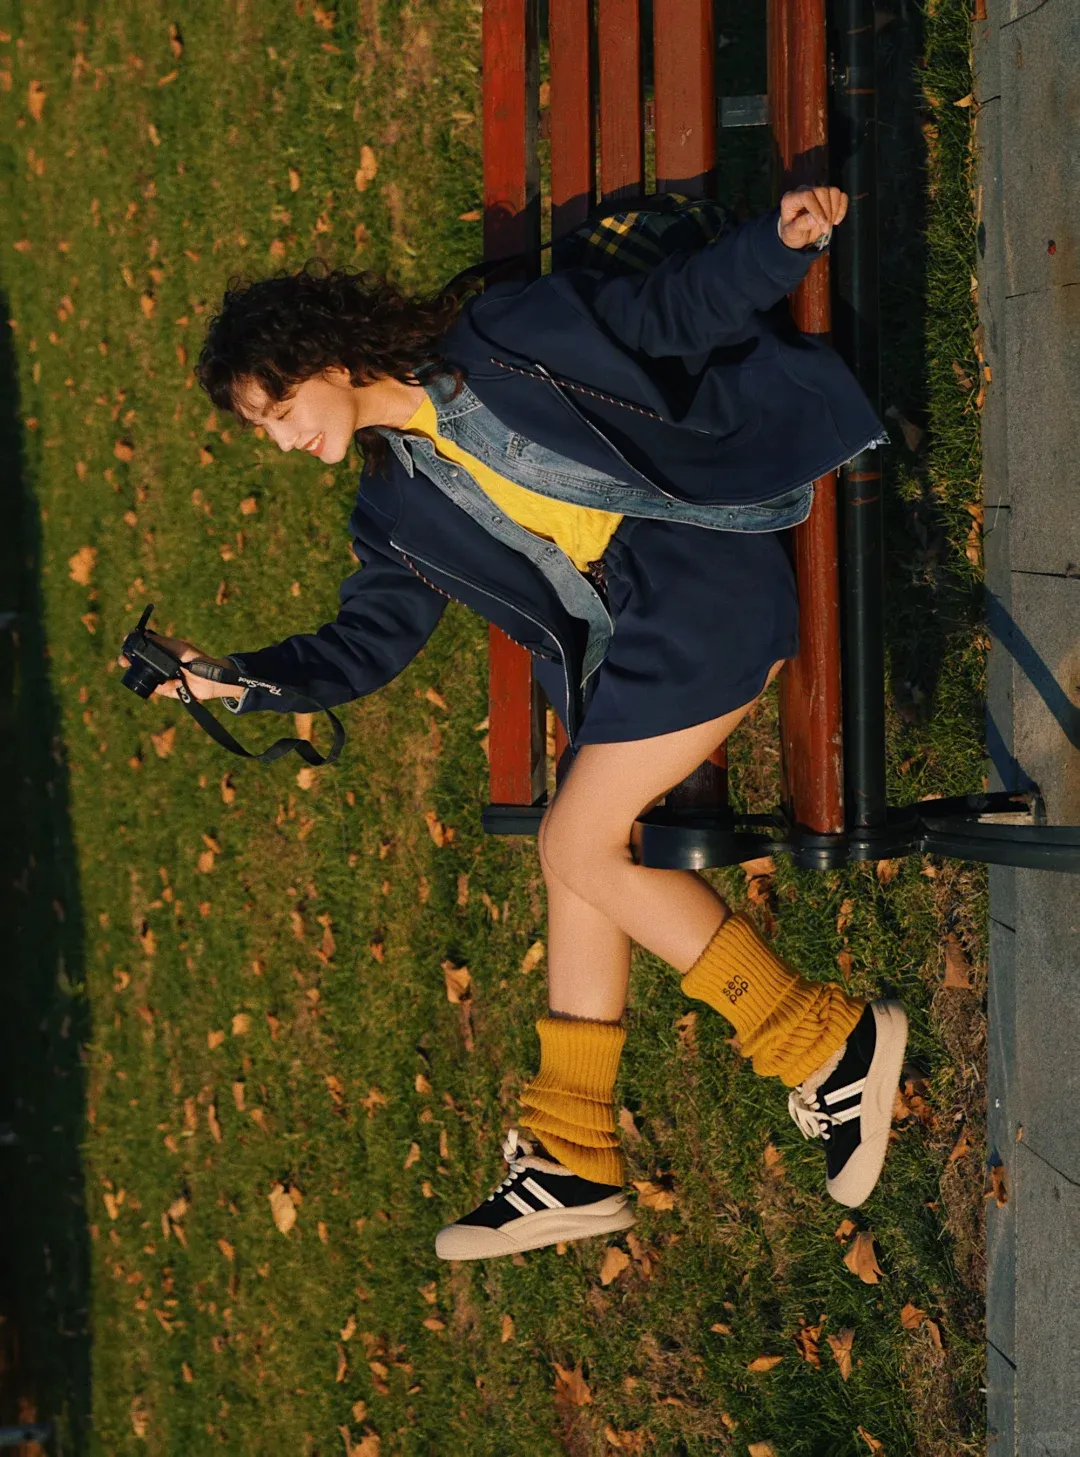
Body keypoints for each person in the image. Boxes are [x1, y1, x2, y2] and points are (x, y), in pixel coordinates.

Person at [125, 185, 907, 1261]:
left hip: (702, 577)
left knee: (576, 843)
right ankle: (572, 1152)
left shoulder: (501, 339)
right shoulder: (392, 504)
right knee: (576, 851)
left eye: (280, 407)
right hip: (636, 637)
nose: (283, 438)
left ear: (328, 357)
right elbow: (366, 641)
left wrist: (776, 246)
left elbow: (668, 313)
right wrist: (236, 682)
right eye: (264, 429)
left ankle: (826, 1041)